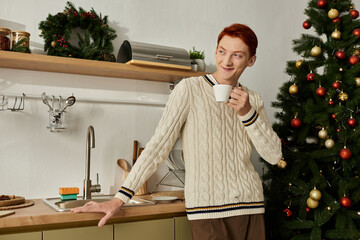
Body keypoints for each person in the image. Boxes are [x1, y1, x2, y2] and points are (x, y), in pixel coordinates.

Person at [72, 23, 282, 240]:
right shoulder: (189, 89)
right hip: (206, 210)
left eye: (237, 55)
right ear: (216, 51)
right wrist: (119, 199)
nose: (226, 61)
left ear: (251, 60)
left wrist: (247, 113)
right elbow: (157, 148)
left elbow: (274, 156)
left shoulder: (252, 100)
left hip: (251, 207)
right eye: (222, 51)